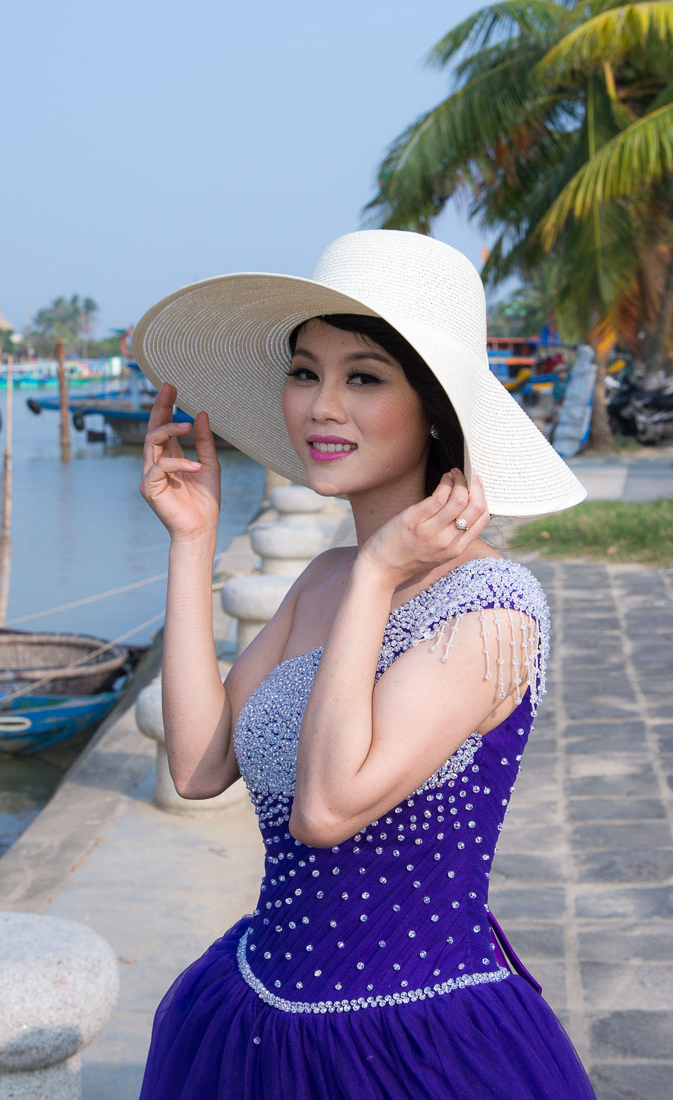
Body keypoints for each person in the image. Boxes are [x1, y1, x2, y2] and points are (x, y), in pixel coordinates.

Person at [134, 230, 595, 1099]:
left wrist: (381, 573)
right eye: (305, 372)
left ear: (434, 409)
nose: (320, 406)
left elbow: (327, 807)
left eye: (365, 377)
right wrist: (193, 545)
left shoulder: (492, 609)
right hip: (254, 1014)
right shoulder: (325, 576)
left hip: (412, 1044)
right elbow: (199, 767)